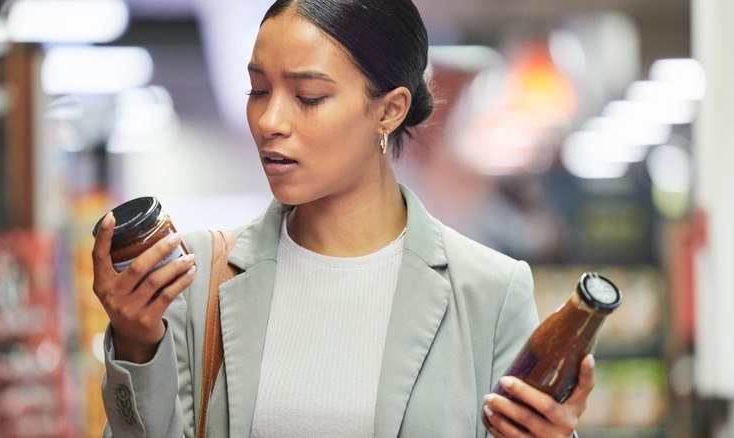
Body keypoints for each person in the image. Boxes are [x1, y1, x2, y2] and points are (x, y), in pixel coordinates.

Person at [92, 0, 595, 436]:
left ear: (389, 110)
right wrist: (137, 348)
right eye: (258, 90)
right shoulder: (196, 275)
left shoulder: (489, 292)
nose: (270, 121)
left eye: (308, 97)